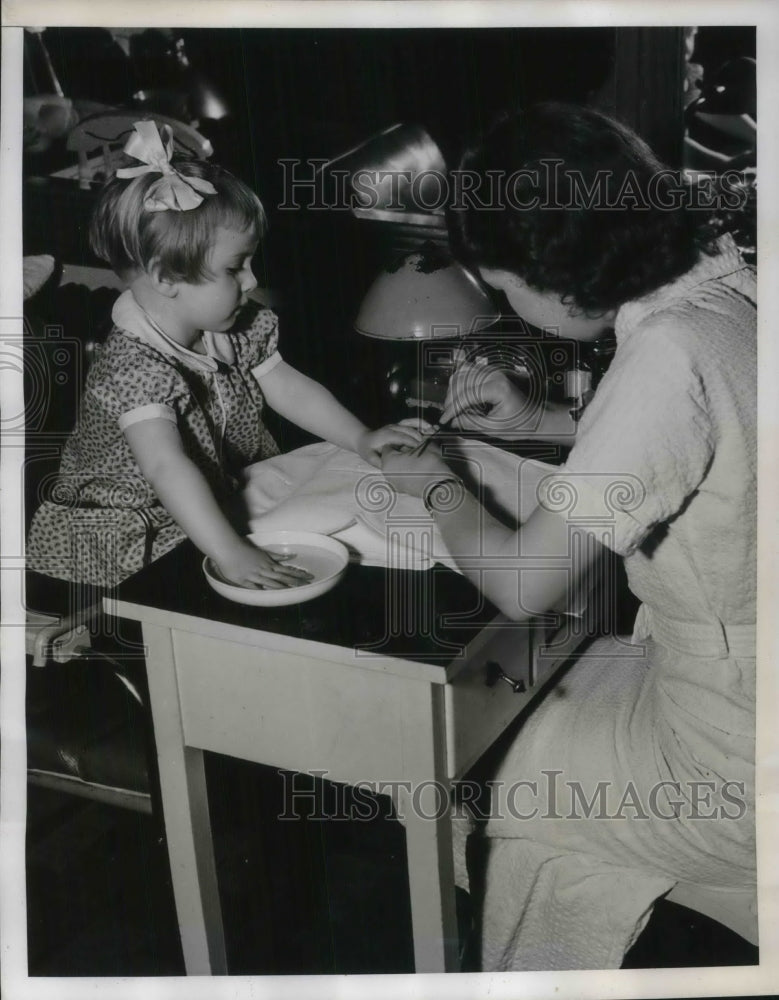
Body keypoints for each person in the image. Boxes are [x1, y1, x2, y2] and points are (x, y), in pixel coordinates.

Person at [381, 102, 756, 970]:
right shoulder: (731, 289)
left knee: (491, 779)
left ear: (560, 279)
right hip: (741, 690)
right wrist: (540, 418)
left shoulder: (664, 353)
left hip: (733, 757)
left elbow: (523, 583)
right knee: (549, 714)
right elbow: (699, 440)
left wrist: (429, 479)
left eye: (506, 288)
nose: (507, 307)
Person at [27, 120, 423, 590]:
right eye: (235, 268)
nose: (252, 282)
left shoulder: (234, 323)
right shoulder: (133, 368)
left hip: (207, 496)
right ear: (165, 278)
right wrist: (229, 551)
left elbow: (288, 387)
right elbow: (164, 467)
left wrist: (360, 438)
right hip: (122, 527)